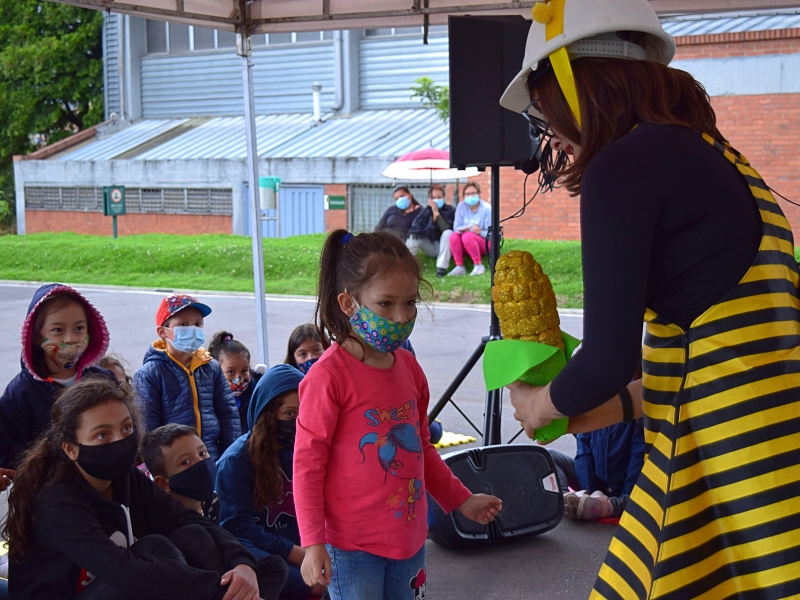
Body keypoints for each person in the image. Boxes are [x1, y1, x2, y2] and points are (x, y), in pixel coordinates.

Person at [500, 0, 800, 596]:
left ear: (576, 87)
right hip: (777, 450)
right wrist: (615, 408)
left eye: (543, 112)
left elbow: (609, 357)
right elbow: (716, 353)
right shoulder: (719, 158)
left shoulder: (626, 164)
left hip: (719, 468)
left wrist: (541, 406)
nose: (550, 133)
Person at [295, 229, 502, 599]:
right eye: (386, 304)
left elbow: (421, 449)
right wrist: (312, 543)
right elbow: (308, 466)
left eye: (410, 303)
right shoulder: (327, 377)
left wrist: (461, 499)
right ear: (349, 303)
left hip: (409, 540)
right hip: (351, 548)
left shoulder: (409, 367)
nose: (401, 316)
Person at [3, 377, 279, 600]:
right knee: (156, 549)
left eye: (126, 428)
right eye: (102, 435)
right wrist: (222, 589)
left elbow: (187, 519)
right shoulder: (55, 501)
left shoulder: (124, 478)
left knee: (201, 539)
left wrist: (241, 564)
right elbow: (125, 572)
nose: (120, 441)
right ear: (70, 449)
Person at [216, 364, 323, 600]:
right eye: (289, 414)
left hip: (301, 546)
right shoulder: (236, 462)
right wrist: (298, 555)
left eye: (304, 413)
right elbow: (237, 528)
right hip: (263, 552)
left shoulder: (305, 450)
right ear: (266, 415)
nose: (298, 422)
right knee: (287, 575)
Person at [0, 283, 113, 470]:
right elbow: (14, 461)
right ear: (36, 337)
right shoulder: (19, 395)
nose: (70, 339)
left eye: (79, 328)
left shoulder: (104, 381)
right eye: (58, 330)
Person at [133, 294, 240, 462]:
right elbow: (148, 428)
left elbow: (228, 415)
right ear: (163, 332)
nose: (193, 329)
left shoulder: (212, 368)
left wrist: (230, 457)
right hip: (175, 463)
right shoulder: (149, 374)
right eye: (183, 324)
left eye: (198, 324)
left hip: (213, 458)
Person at [549, 419, 645, 520]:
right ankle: (566, 498)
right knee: (551, 456)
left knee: (641, 498)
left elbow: (637, 462)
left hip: (624, 488)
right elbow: (583, 454)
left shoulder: (636, 419)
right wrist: (591, 492)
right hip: (596, 481)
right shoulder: (593, 411)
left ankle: (617, 506)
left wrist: (625, 497)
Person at [208, 332, 261, 434]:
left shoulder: (258, 393)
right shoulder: (210, 397)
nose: (238, 378)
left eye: (244, 371)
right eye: (231, 372)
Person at [406, 184, 456, 278]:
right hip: (431, 246)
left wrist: (436, 214)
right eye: (434, 197)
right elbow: (415, 228)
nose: (436, 199)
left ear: (443, 197)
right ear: (429, 199)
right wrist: (430, 222)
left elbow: (447, 228)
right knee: (414, 236)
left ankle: (441, 268)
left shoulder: (450, 210)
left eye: (439, 197)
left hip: (446, 246)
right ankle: (407, 267)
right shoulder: (425, 212)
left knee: (448, 233)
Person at [447, 182, 491, 277]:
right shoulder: (461, 206)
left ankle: (478, 265)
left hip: (485, 243)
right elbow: (456, 227)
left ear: (479, 194)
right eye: (468, 194)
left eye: (473, 193)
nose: (471, 196)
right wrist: (467, 229)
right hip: (465, 242)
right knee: (454, 236)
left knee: (467, 236)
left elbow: (492, 235)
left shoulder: (487, 209)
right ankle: (459, 266)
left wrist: (479, 232)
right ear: (464, 196)